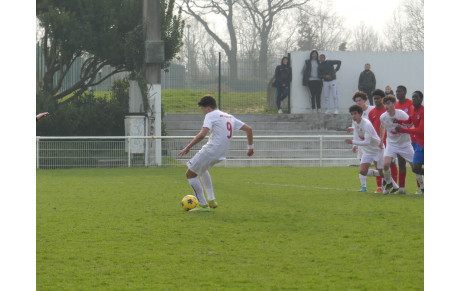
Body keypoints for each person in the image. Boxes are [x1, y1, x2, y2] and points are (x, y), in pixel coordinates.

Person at [179, 95, 254, 211]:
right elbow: (249, 129)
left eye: (202, 110)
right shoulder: (229, 116)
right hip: (221, 153)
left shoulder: (210, 115)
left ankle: (203, 205)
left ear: (208, 108)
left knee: (190, 174)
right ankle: (211, 199)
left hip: (211, 150)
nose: (203, 113)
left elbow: (202, 134)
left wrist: (188, 147)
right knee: (202, 170)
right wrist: (250, 148)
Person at [344, 105, 384, 192]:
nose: (353, 116)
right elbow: (357, 131)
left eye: (355, 113)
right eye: (352, 114)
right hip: (367, 151)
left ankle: (391, 184)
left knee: (381, 171)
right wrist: (354, 144)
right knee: (362, 171)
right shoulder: (355, 122)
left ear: (360, 114)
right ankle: (364, 187)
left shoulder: (367, 124)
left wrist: (352, 142)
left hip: (377, 149)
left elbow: (367, 142)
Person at [379, 95, 414, 194]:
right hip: (391, 144)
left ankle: (422, 187)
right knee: (385, 164)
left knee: (415, 167)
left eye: (389, 103)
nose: (386, 106)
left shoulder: (401, 114)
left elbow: (411, 124)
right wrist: (381, 140)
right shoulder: (383, 117)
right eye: (385, 104)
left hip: (405, 144)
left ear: (394, 104)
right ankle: (389, 183)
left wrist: (404, 130)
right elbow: (382, 127)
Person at [368, 90, 398, 193]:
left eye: (378, 98)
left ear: (382, 98)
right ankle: (380, 186)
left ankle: (395, 185)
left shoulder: (388, 111)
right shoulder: (371, 113)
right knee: (379, 165)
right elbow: (371, 129)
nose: (376, 100)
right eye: (374, 98)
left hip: (390, 142)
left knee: (392, 163)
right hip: (378, 143)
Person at [395, 90, 424, 194]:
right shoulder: (413, 110)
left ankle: (422, 189)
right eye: (413, 97)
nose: (414, 99)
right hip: (420, 144)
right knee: (415, 168)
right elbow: (409, 121)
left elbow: (421, 130)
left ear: (421, 99)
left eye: (416, 97)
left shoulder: (423, 111)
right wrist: (399, 121)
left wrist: (403, 130)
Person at [394, 85, 415, 194]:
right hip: (400, 139)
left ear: (405, 92)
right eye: (396, 92)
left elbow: (411, 119)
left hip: (412, 138)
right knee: (401, 163)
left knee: (415, 165)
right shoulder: (395, 105)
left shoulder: (410, 103)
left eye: (400, 91)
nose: (398, 93)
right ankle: (401, 188)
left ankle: (421, 187)